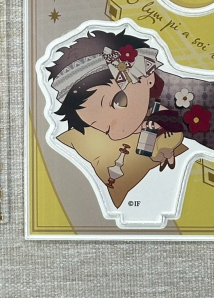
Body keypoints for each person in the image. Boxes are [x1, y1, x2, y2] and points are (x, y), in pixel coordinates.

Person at [45, 30, 186, 208]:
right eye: (101, 127)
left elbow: (174, 128)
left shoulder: (160, 115)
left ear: (148, 77)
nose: (115, 132)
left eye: (118, 101)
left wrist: (167, 144)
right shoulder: (80, 141)